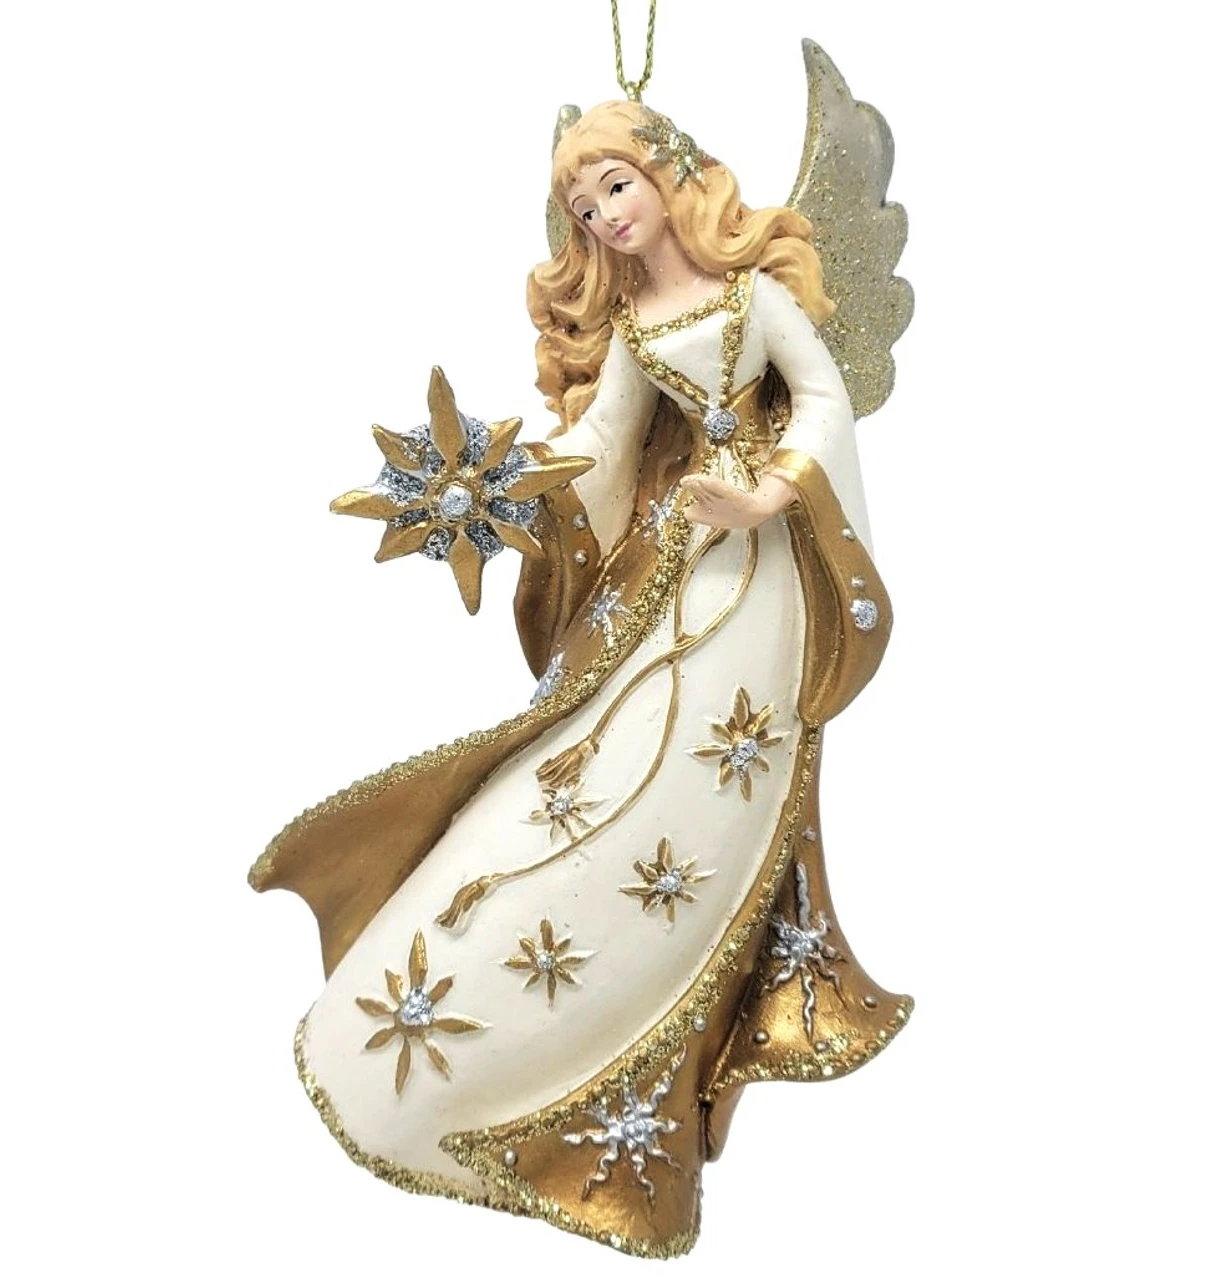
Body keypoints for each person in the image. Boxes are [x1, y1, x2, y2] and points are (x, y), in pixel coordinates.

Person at [250, 98, 911, 1257]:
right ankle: (463, 1021)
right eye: (581, 205)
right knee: (584, 754)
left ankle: (637, 1004)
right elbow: (605, 438)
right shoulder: (636, 326)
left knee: (700, 779)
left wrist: (766, 493)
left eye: (613, 187)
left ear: (666, 174)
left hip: (753, 577)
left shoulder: (749, 296)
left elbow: (819, 399)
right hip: (669, 562)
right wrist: (514, 487)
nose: (603, 217)